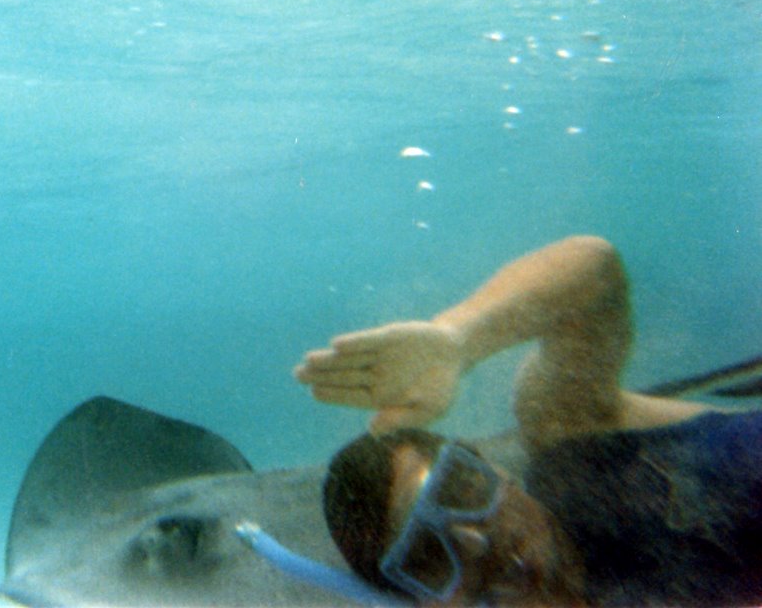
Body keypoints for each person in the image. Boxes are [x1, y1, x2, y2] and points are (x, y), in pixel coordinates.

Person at [293, 236, 762, 606]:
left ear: (497, 471)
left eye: (461, 489)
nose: (475, 539)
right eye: (428, 554)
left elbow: (594, 270)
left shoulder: (579, 449)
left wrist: (460, 341)